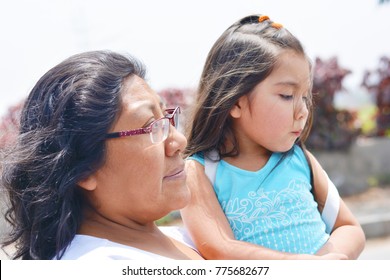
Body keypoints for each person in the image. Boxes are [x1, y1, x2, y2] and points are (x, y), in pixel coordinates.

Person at [181, 14, 365, 260]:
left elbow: (349, 228)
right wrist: (297, 267)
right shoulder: (200, 172)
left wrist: (324, 263)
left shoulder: (299, 159)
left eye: (305, 97)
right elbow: (219, 248)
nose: (303, 111)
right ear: (235, 101)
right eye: (287, 96)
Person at [0, 50, 202, 260]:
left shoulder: (192, 237)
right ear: (83, 169)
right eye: (151, 127)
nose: (178, 141)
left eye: (167, 118)